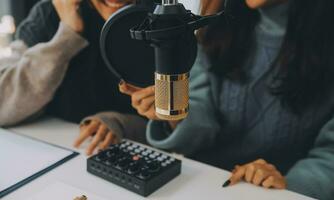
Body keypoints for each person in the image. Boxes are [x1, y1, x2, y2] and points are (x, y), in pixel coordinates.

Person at [116, 0, 334, 199]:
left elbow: (329, 157)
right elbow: (204, 113)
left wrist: (286, 187)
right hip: (201, 185)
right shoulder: (218, 28)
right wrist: (174, 113)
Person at [0, 0, 147, 155]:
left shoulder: (161, 19)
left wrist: (121, 123)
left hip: (118, 156)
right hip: (53, 152)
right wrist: (67, 36)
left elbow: (170, 129)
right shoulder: (51, 12)